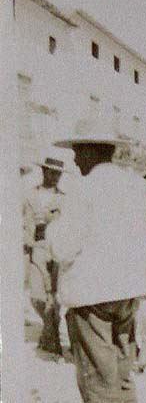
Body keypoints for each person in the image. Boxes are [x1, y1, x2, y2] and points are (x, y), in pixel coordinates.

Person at [48, 116, 146, 403]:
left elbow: (63, 247)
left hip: (92, 296)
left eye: (78, 152)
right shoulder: (134, 186)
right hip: (127, 293)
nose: (75, 159)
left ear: (92, 151)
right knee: (121, 375)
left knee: (98, 381)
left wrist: (52, 228)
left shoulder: (83, 189)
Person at [23, 154, 68, 359]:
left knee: (53, 297)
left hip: (54, 251)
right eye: (52, 173)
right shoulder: (30, 195)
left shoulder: (63, 198)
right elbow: (23, 221)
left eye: (58, 174)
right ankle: (50, 331)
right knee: (36, 297)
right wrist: (26, 241)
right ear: (43, 172)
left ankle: (52, 339)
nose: (55, 177)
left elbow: (67, 226)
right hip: (35, 248)